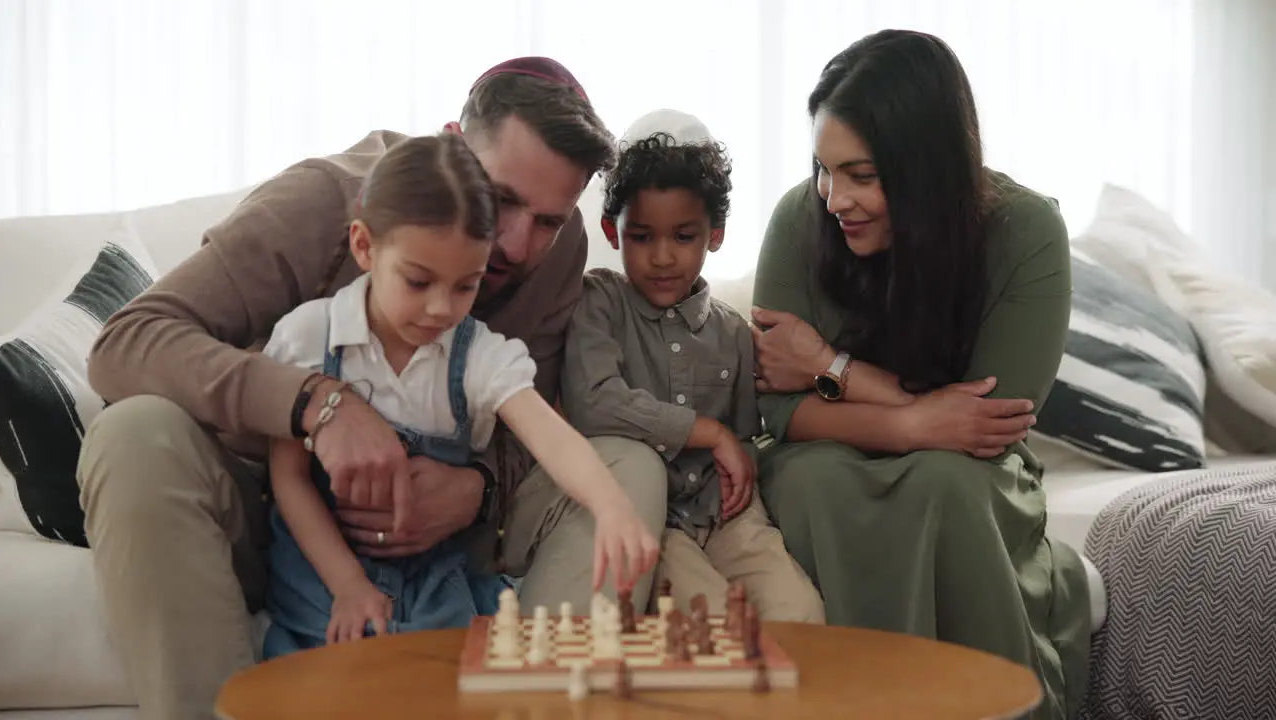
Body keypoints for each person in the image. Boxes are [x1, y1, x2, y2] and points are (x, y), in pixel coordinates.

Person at [76, 57, 668, 719]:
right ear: (452, 142)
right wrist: (316, 406)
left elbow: (536, 420)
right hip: (281, 511)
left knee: (629, 466)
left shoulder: (559, 254)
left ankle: (530, 704)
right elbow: (127, 343)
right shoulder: (324, 201)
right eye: (500, 200)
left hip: (442, 543)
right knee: (131, 435)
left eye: (548, 221)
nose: (515, 244)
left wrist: (476, 489)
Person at [749, 31, 1091, 719]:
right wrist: (908, 420)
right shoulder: (799, 219)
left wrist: (825, 366)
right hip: (825, 458)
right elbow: (776, 414)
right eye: (823, 168)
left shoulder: (1026, 233)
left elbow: (989, 426)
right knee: (808, 476)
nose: (833, 196)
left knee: (946, 481)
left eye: (861, 175)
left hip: (973, 473)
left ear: (926, 165)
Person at [261, 134, 659, 657]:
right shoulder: (307, 338)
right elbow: (288, 478)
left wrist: (611, 507)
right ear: (364, 247)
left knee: (449, 676)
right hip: (322, 576)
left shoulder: (475, 354)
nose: (440, 310)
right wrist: (349, 587)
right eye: (418, 282)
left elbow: (551, 437)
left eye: (465, 286)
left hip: (431, 579)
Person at [560, 112, 824, 623]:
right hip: (649, 521)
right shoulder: (598, 304)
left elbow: (745, 440)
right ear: (613, 234)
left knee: (801, 615)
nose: (662, 257)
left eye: (683, 237)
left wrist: (736, 458)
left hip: (726, 518)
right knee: (717, 622)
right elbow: (594, 403)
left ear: (716, 235)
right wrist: (707, 432)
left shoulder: (733, 333)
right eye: (641, 237)